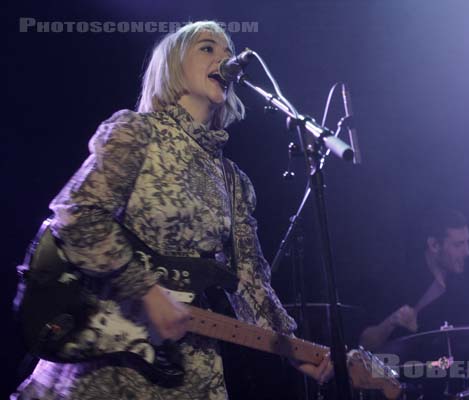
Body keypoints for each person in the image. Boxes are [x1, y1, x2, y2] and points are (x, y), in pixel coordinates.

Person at [13, 21, 331, 400]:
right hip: (110, 360)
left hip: (191, 369)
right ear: (173, 64)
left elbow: (248, 282)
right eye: (208, 48)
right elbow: (77, 214)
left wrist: (294, 348)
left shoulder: (233, 180)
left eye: (229, 52)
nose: (226, 59)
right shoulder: (135, 133)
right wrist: (145, 291)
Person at [359, 208, 469, 351]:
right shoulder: (398, 280)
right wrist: (392, 321)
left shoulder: (460, 285)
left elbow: (461, 342)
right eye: (458, 244)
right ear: (434, 245)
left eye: (467, 242)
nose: (468, 252)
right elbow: (364, 344)